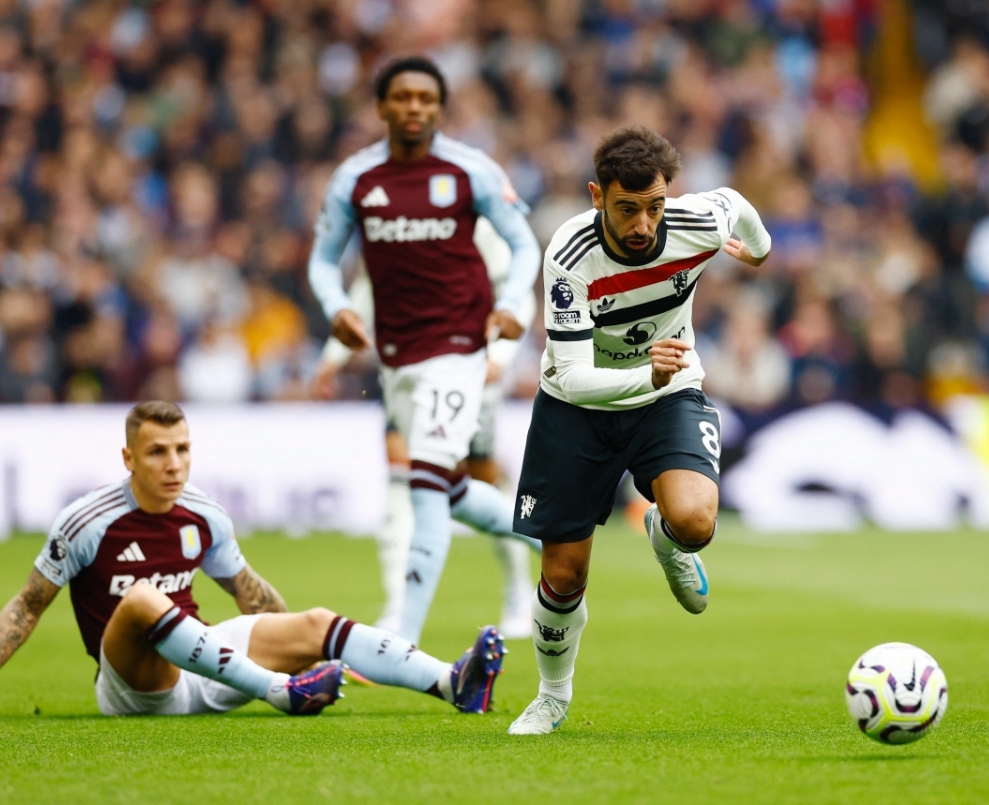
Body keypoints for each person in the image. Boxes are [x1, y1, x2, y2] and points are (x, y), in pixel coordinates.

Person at [0, 401, 504, 718]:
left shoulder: (203, 514)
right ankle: (279, 693)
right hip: (138, 688)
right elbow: (29, 603)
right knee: (143, 599)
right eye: (158, 452)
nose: (174, 464)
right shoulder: (86, 521)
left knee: (319, 622)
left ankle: (453, 684)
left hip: (209, 668)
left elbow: (248, 593)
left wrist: (306, 648)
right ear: (128, 458)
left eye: (183, 449)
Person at [505, 126, 771, 734]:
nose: (644, 224)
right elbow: (572, 379)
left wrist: (756, 252)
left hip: (668, 393)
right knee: (564, 573)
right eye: (628, 209)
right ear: (598, 196)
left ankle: (665, 533)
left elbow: (740, 208)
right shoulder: (570, 255)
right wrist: (644, 376)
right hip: (577, 408)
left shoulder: (695, 221)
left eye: (655, 207)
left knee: (696, 521)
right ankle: (552, 694)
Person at [307, 56, 542, 645]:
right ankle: (560, 536)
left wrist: (512, 303)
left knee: (426, 485)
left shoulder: (471, 172)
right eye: (403, 98)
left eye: (426, 99)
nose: (414, 108)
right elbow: (323, 260)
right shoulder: (356, 179)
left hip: (461, 351)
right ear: (382, 106)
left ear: (439, 107)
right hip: (396, 359)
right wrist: (336, 310)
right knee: (454, 489)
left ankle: (400, 641)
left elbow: (521, 243)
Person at [311, 218, 537, 639]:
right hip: (407, 368)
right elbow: (367, 289)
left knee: (479, 479)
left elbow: (515, 293)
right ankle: (398, 608)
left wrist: (500, 358)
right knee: (403, 476)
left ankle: (520, 590)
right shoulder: (385, 214)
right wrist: (335, 353)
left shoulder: (475, 216)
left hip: (467, 369)